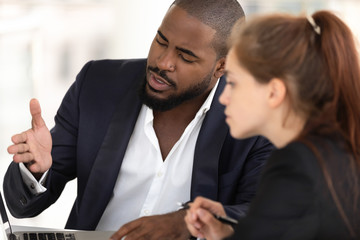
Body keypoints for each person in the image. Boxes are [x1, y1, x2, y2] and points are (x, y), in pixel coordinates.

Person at [3, 0, 274, 239]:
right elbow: (23, 206)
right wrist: (35, 170)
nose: (163, 61)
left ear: (222, 66)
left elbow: (264, 215)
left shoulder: (256, 120)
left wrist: (188, 222)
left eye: (185, 56)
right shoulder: (99, 84)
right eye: (161, 41)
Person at [185, 10, 360, 240]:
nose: (223, 97)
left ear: (274, 92)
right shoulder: (333, 152)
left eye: (234, 83)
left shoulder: (295, 164)